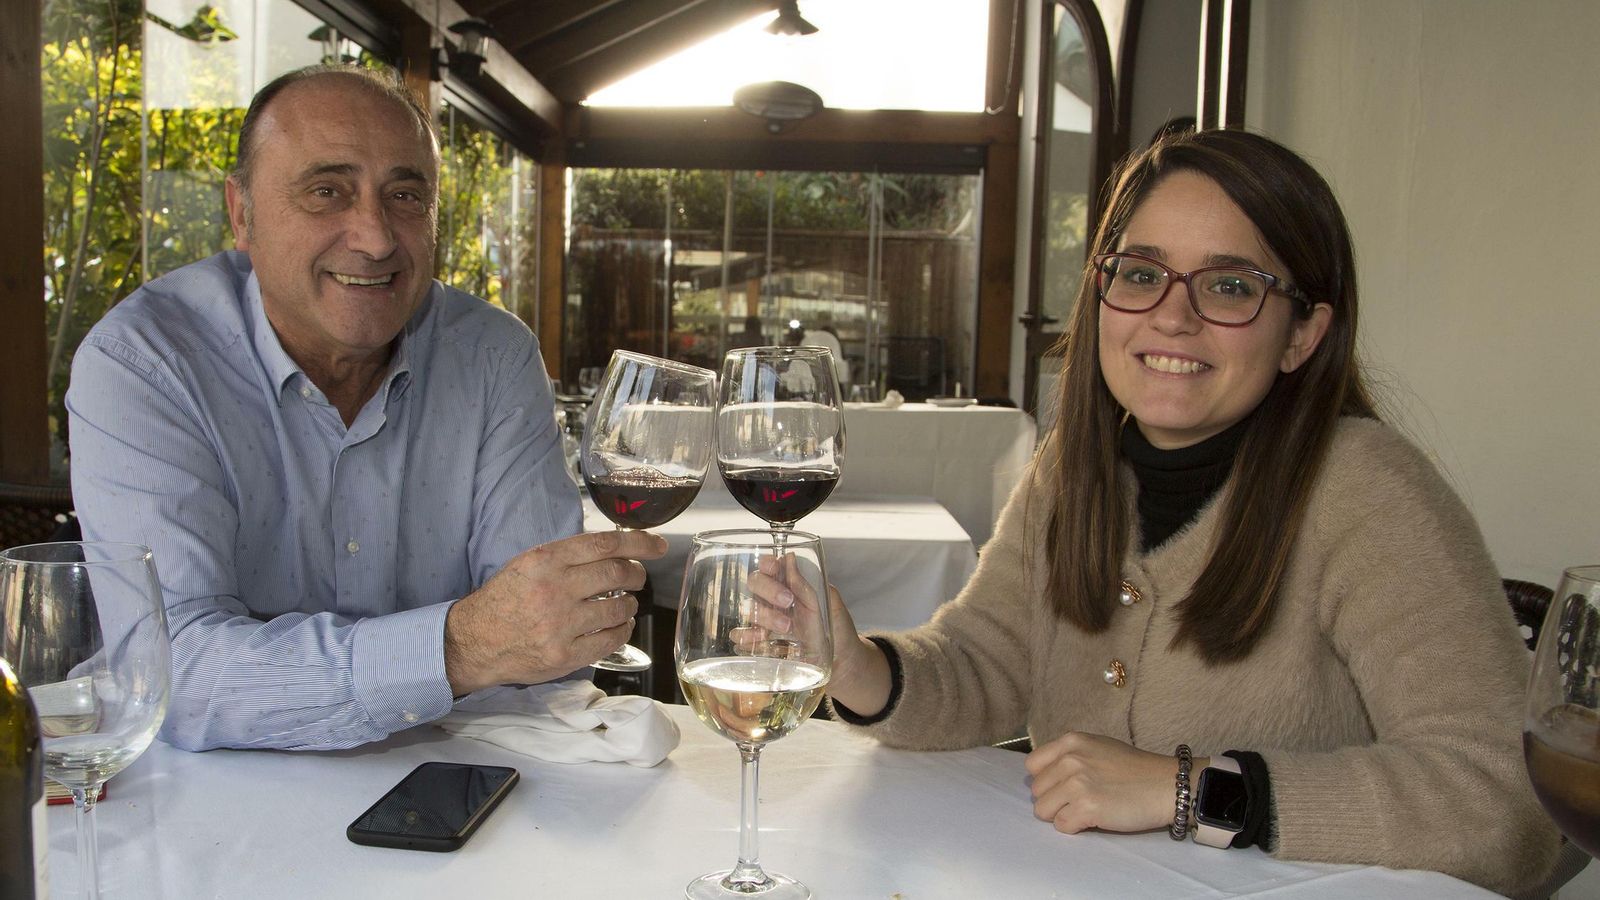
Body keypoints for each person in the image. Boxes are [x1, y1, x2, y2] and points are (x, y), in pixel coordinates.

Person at [815, 130, 1561, 894]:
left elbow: (1513, 804)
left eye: (1230, 286)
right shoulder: (1075, 466)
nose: (1172, 317)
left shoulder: (1366, 487)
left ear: (1303, 334)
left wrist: (1193, 791)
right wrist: (856, 667)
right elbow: (986, 667)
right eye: (1142, 274)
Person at [65, 65, 663, 752]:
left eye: (406, 195)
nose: (376, 238)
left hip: (454, 797)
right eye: (328, 191)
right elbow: (173, 674)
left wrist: (502, 647)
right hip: (204, 812)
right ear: (242, 214)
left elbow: (544, 644)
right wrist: (456, 650)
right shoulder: (146, 363)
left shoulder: (493, 356)